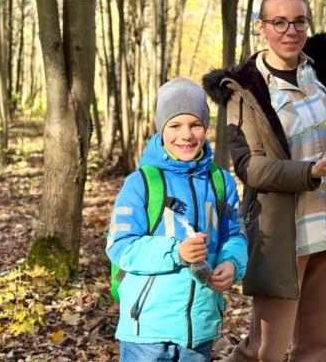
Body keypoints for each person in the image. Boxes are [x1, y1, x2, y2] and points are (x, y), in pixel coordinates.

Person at [203, 0, 326, 361]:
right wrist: (310, 171)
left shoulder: (325, 72)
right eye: (279, 22)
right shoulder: (244, 89)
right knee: (264, 350)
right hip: (284, 235)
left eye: (299, 21)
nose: (290, 31)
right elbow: (249, 167)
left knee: (318, 346)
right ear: (261, 27)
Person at [106, 78, 248, 362]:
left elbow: (236, 235)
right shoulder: (142, 183)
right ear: (161, 128)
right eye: (175, 125)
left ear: (206, 127)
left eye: (195, 124)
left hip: (200, 328)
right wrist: (176, 252)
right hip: (146, 330)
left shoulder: (221, 182)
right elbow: (120, 246)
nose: (186, 135)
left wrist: (232, 263)